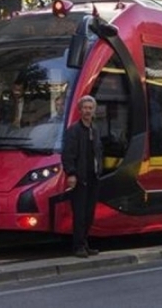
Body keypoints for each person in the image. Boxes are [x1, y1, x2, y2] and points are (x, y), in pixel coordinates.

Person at [61, 95, 103, 258]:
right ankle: (78, 246)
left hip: (93, 177)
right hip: (79, 177)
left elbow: (98, 151)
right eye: (84, 108)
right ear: (80, 111)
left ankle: (85, 243)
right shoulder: (74, 130)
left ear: (94, 111)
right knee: (79, 214)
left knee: (89, 213)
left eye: (90, 108)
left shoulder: (95, 129)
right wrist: (71, 173)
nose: (87, 111)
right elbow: (68, 154)